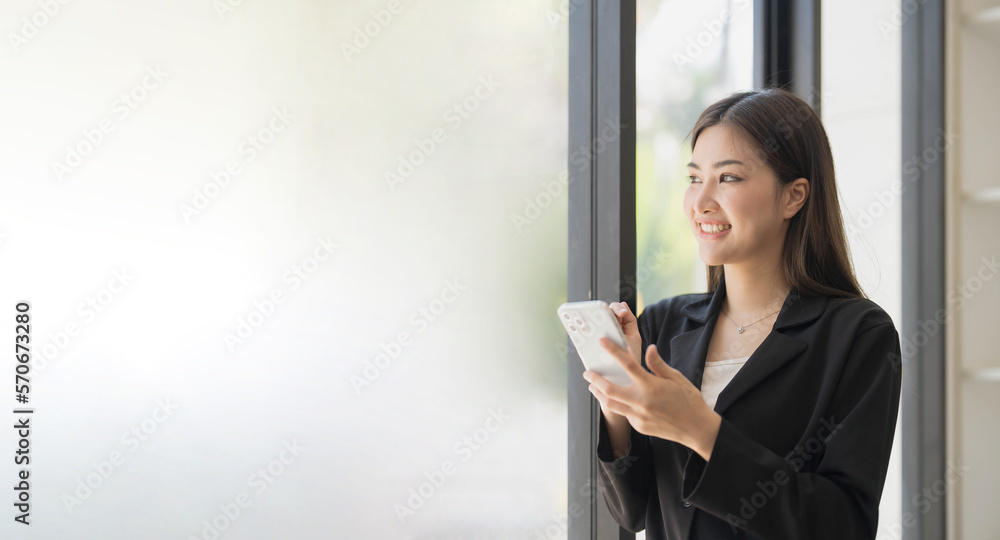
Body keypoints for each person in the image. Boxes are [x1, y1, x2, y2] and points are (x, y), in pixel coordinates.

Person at [582, 88, 902, 539]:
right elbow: (631, 512)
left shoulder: (858, 335)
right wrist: (619, 400)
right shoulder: (663, 325)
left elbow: (843, 525)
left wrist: (702, 429)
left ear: (794, 197)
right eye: (694, 178)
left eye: (728, 178)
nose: (701, 202)